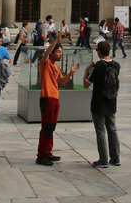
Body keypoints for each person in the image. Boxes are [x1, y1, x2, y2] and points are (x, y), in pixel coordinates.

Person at [36, 36, 80, 166]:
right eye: (58, 52)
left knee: (51, 127)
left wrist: (71, 73)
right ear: (53, 53)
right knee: (46, 127)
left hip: (55, 98)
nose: (60, 54)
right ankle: (41, 155)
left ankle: (48, 151)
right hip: (47, 98)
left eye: (61, 52)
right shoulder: (45, 63)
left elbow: (61, 81)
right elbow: (46, 52)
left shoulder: (55, 67)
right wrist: (56, 40)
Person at [88, 40, 121, 168]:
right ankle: (115, 157)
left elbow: (86, 83)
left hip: (99, 103)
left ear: (99, 52)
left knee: (100, 130)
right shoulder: (117, 65)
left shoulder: (97, 66)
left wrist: (87, 69)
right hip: (112, 101)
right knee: (112, 128)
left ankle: (103, 159)